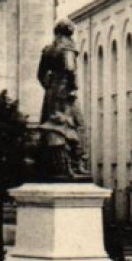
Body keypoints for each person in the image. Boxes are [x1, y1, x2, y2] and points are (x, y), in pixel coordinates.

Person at [36, 20, 89, 180]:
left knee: (51, 124)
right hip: (65, 91)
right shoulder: (68, 49)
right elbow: (70, 70)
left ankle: (51, 163)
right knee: (77, 124)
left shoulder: (48, 50)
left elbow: (40, 74)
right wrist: (72, 89)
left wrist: (49, 87)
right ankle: (76, 162)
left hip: (51, 92)